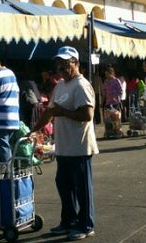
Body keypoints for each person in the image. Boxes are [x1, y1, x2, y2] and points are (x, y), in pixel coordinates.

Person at [29, 46, 98, 241]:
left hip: (80, 146)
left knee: (82, 189)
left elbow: (87, 115)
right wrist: (34, 129)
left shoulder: (81, 85)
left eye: (65, 63)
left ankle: (86, 224)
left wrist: (63, 112)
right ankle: (68, 221)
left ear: (75, 63)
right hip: (64, 147)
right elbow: (50, 111)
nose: (61, 67)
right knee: (64, 185)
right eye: (58, 64)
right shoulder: (60, 86)